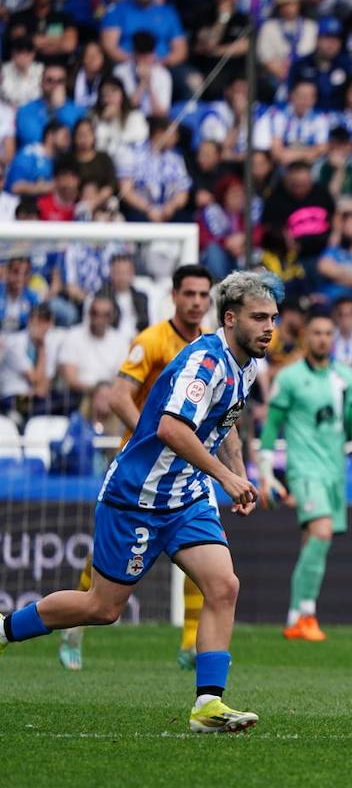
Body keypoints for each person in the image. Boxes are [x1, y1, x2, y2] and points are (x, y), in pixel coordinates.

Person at [0, 271, 276, 735]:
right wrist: (226, 476)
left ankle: (208, 704)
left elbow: (225, 420)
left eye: (273, 317)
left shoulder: (245, 363)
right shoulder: (203, 363)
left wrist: (240, 474)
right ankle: (6, 628)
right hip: (137, 497)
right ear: (230, 319)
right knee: (102, 607)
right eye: (259, 317)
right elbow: (171, 429)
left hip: (186, 497)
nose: (270, 326)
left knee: (224, 585)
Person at [63, 265, 215, 671]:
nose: (197, 302)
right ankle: (74, 628)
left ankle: (190, 645)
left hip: (188, 468)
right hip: (140, 469)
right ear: (174, 295)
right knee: (105, 559)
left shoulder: (214, 346)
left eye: (204, 295)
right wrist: (152, 435)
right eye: (190, 294)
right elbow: (118, 396)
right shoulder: (151, 340)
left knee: (200, 552)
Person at [259, 309, 352, 642]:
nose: (323, 338)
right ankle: (307, 612)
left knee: (313, 540)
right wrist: (266, 473)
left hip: (334, 470)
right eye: (316, 333)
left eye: (328, 333)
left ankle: (295, 615)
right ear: (305, 337)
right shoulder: (288, 377)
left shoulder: (345, 377)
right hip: (304, 469)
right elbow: (271, 426)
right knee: (322, 533)